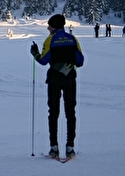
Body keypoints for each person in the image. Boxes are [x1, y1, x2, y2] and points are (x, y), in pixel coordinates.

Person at [30, 14, 84, 159]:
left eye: (49, 26)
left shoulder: (50, 39)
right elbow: (80, 61)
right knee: (70, 113)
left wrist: (34, 53)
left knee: (53, 112)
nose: (48, 28)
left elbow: (43, 60)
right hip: (70, 79)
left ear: (54, 27)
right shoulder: (73, 39)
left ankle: (54, 148)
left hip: (54, 79)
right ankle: (70, 147)